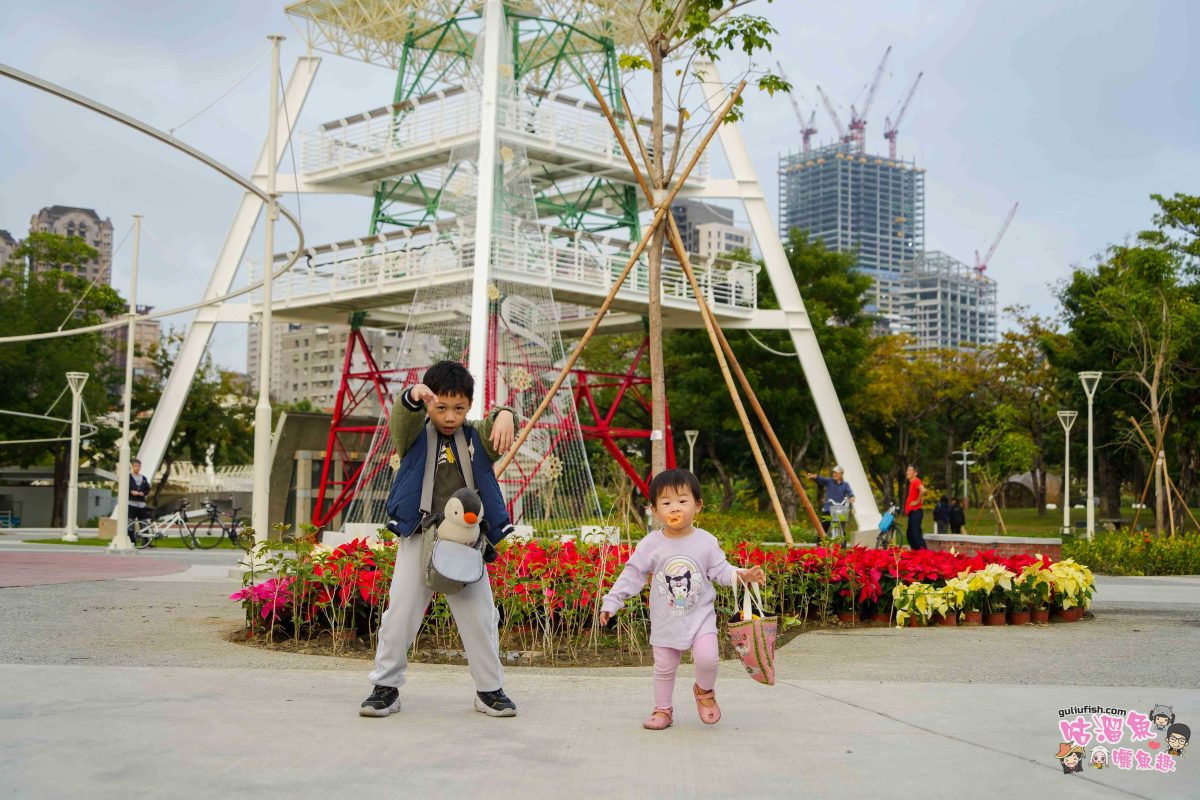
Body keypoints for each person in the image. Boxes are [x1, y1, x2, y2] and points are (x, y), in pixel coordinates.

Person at [360, 360, 518, 719]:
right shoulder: (413, 435)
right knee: (401, 612)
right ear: (429, 404)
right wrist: (413, 397)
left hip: (465, 541)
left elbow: (496, 425)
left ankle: (489, 690)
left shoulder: (476, 436)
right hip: (419, 534)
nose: (450, 416)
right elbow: (403, 417)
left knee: (480, 617)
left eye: (459, 408)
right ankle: (385, 686)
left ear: (469, 406)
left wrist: (506, 413)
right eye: (441, 407)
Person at [599, 469, 766, 731]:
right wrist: (612, 601)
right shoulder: (651, 544)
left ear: (697, 505)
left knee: (708, 659)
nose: (674, 508)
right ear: (655, 510)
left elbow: (721, 570)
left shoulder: (706, 542)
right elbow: (633, 574)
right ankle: (662, 709)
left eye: (682, 501)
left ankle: (704, 691)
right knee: (664, 668)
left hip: (700, 617)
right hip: (666, 620)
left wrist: (742, 574)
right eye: (666, 503)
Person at [806, 466, 855, 537]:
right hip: (828, 508)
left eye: (836, 473)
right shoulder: (829, 481)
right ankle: (819, 546)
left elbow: (850, 493)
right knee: (823, 528)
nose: (834, 474)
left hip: (839, 509)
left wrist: (852, 498)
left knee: (841, 529)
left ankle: (842, 546)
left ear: (841, 474)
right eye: (834, 473)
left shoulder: (845, 485)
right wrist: (813, 476)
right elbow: (821, 479)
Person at [127, 459, 152, 542]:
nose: (137, 467)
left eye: (139, 466)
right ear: (132, 466)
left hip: (141, 504)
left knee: (144, 522)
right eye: (135, 466)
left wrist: (143, 493)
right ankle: (131, 541)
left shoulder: (143, 478)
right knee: (131, 523)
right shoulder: (128, 477)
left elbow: (147, 489)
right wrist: (131, 492)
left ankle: (146, 541)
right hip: (131, 503)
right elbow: (124, 487)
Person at [903, 465, 927, 550]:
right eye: (907, 470)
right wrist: (921, 499)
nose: (907, 472)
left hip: (916, 511)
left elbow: (923, 490)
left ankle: (925, 553)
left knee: (915, 534)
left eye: (909, 470)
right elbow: (923, 494)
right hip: (913, 512)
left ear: (915, 473)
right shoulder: (912, 483)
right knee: (910, 535)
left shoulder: (916, 481)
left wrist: (917, 501)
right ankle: (917, 553)